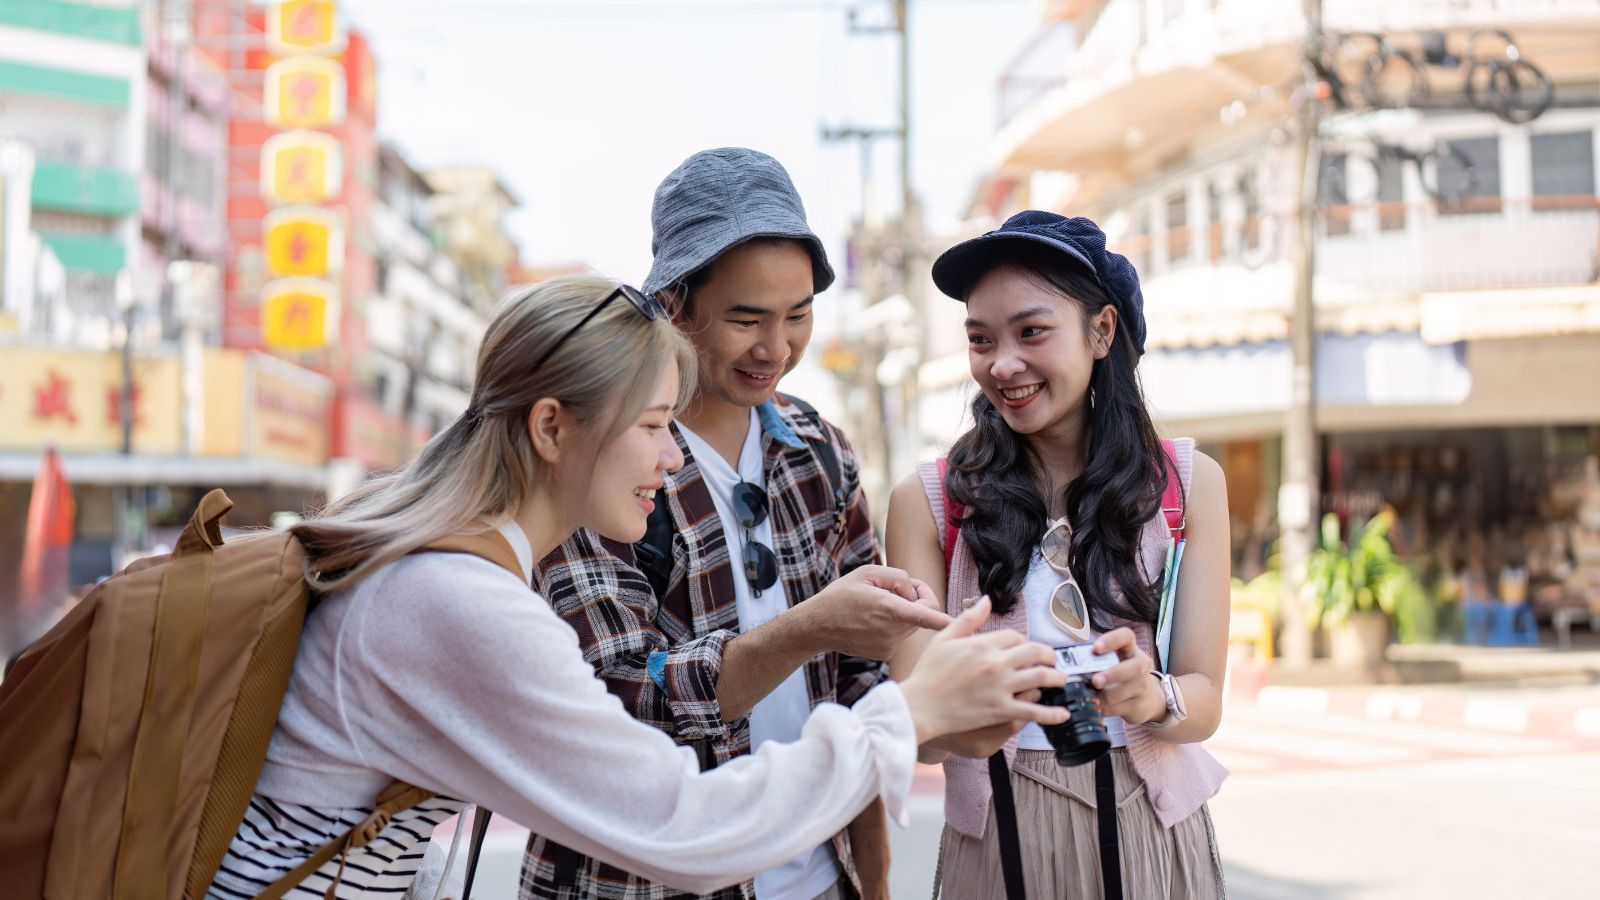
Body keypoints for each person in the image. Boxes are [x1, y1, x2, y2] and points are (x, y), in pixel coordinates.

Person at [207, 275, 1070, 899]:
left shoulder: (442, 562)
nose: (672, 457)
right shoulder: (454, 602)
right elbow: (681, 827)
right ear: (552, 427)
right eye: (656, 426)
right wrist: (910, 713)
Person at [521, 148, 930, 900]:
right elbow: (620, 694)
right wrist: (812, 626)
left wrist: (871, 875)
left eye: (798, 315)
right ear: (673, 305)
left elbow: (861, 687)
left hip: (818, 876)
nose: (776, 348)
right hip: (637, 884)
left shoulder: (821, 453)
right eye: (747, 318)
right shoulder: (603, 455)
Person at [885, 212, 1232, 899]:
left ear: (1101, 331)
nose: (1001, 363)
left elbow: (1205, 701)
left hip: (1153, 833)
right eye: (981, 339)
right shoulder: (926, 501)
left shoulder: (1189, 485)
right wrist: (969, 712)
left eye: (1031, 331)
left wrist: (1147, 694)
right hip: (1001, 838)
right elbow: (915, 730)